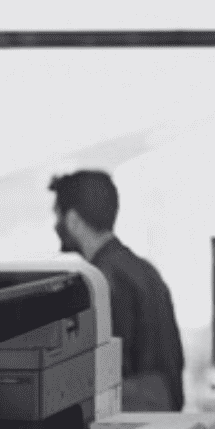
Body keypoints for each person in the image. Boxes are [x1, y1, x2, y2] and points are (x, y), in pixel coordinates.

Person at [51, 169, 185, 412]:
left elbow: (107, 375)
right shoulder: (145, 270)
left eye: (57, 217)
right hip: (162, 422)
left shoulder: (100, 282)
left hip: (132, 428)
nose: (55, 226)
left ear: (72, 220)